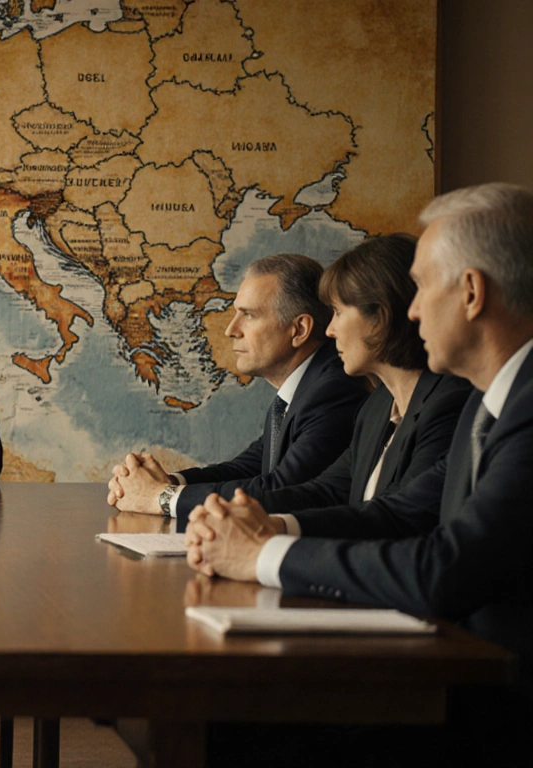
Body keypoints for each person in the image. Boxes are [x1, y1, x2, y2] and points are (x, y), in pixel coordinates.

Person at [186, 183, 533, 766]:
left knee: (229, 725)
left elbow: (446, 567)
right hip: (459, 678)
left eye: (422, 287)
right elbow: (399, 510)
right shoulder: (488, 401)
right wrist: (269, 529)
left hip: (498, 716)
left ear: (471, 292)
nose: (413, 308)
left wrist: (260, 556)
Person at [107, 253, 368, 520]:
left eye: (249, 315)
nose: (231, 330)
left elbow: (282, 489)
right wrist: (166, 482)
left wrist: (158, 498)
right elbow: (250, 468)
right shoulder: (304, 388)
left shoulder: (334, 390)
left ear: (299, 329)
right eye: (235, 314)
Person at [254, 234, 471, 517]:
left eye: (337, 313)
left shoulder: (449, 403)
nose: (329, 331)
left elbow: (399, 518)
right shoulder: (376, 406)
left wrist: (277, 527)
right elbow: (327, 491)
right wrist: (238, 511)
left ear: (380, 319)